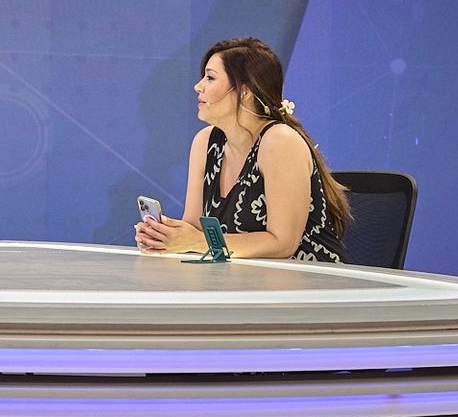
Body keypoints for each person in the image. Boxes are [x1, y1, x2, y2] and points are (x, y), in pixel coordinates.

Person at [134, 37, 348, 262]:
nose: (198, 86)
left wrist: (196, 242)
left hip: (311, 284)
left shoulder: (280, 142)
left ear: (245, 91)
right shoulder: (205, 142)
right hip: (244, 282)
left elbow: (282, 244)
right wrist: (166, 236)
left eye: (210, 77)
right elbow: (194, 227)